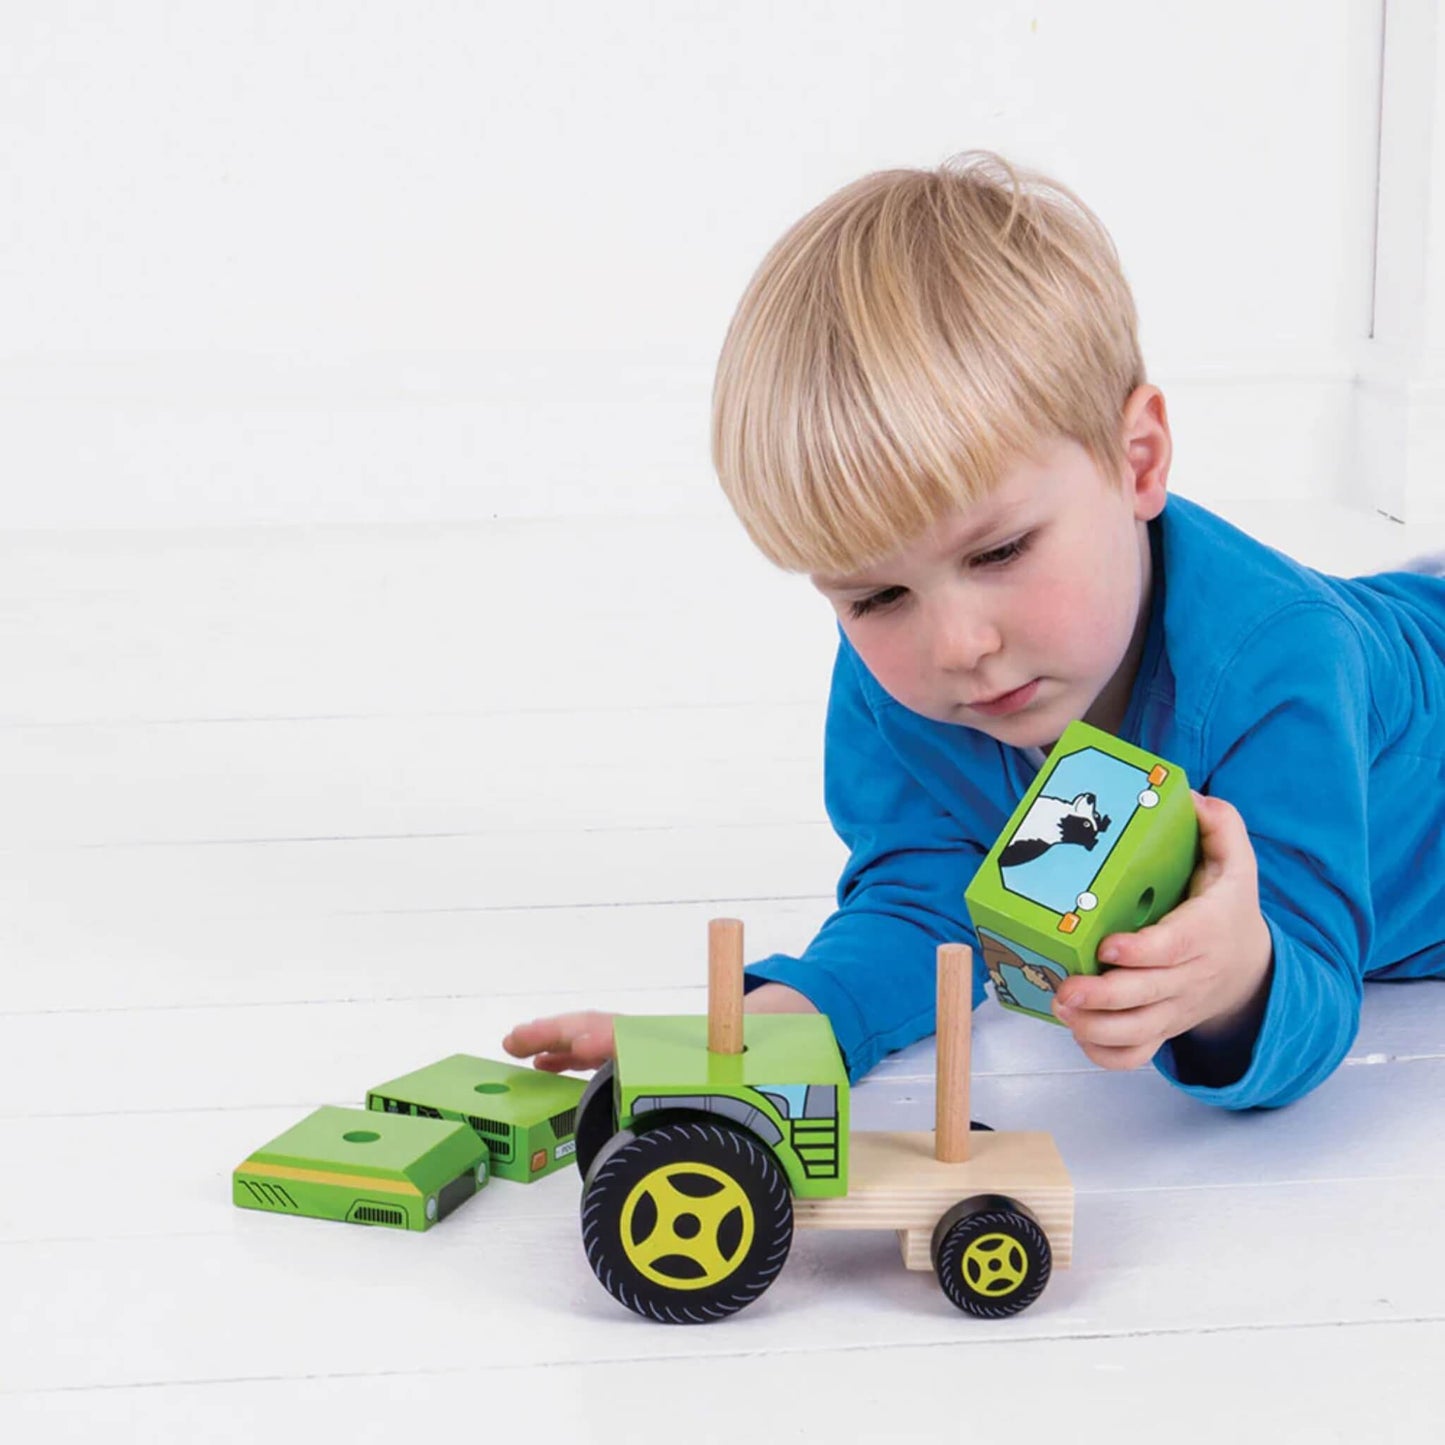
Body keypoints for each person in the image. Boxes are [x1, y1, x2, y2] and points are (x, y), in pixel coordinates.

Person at [505, 150, 1445, 1110]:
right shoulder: (895, 683)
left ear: (1138, 460)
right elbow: (923, 900)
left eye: (997, 553)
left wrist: (1235, 976)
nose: (955, 643)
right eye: (876, 598)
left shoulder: (1277, 666)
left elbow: (1313, 988)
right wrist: (767, 1029)